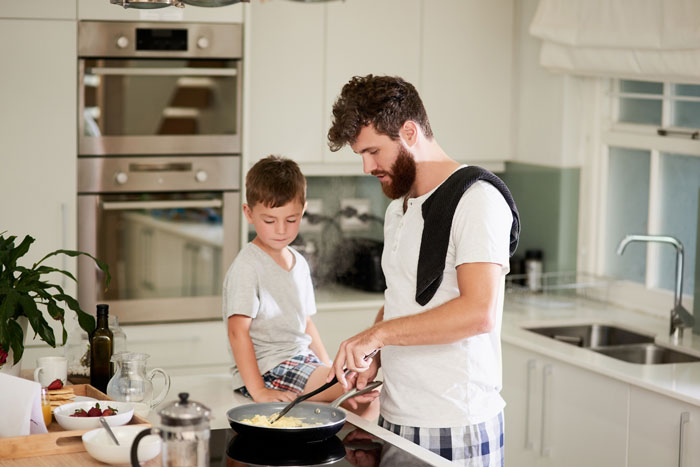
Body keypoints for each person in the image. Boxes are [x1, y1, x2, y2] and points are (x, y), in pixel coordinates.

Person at [326, 75, 520, 466]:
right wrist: (374, 350)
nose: (366, 166)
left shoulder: (476, 200)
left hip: (454, 424)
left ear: (409, 132)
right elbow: (402, 299)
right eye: (360, 155)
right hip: (398, 417)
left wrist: (376, 335)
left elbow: (479, 312)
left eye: (373, 151)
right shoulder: (398, 208)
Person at [222, 155, 379, 415]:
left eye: (291, 220)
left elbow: (304, 322)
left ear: (303, 210)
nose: (281, 230)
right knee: (353, 385)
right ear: (248, 213)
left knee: (358, 384)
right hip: (269, 367)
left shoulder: (299, 262)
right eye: (270, 221)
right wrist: (259, 390)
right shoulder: (248, 266)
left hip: (301, 359)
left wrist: (329, 365)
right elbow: (237, 332)